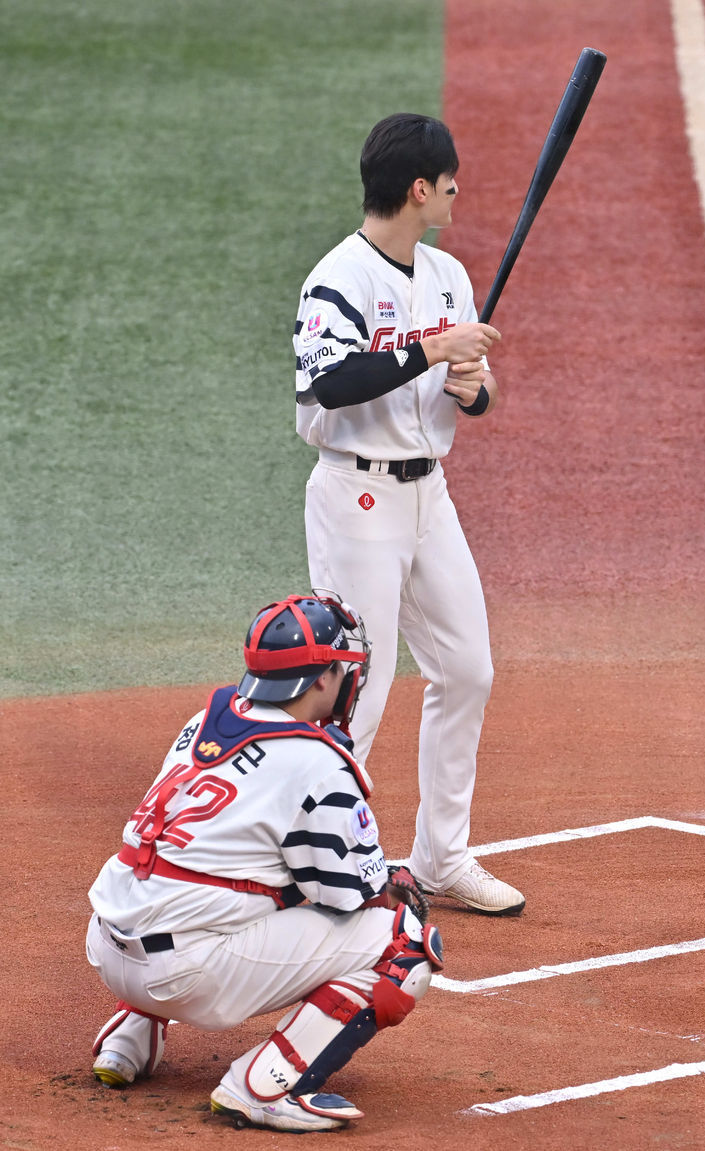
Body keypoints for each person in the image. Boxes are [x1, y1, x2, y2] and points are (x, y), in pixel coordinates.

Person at [86, 592, 442, 1133]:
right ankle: (263, 1087)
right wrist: (391, 882)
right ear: (321, 679)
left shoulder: (207, 717)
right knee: (403, 941)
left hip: (108, 945)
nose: (351, 678)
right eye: (344, 667)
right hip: (181, 973)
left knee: (216, 875)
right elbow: (348, 894)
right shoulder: (317, 762)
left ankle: (128, 1040)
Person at [293, 112, 524, 915]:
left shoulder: (450, 275)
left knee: (467, 668)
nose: (460, 189)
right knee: (359, 687)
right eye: (450, 178)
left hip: (431, 496)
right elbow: (333, 384)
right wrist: (434, 350)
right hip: (357, 499)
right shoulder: (338, 279)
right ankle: (325, 866)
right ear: (419, 188)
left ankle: (439, 858)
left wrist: (476, 388)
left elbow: (475, 388)